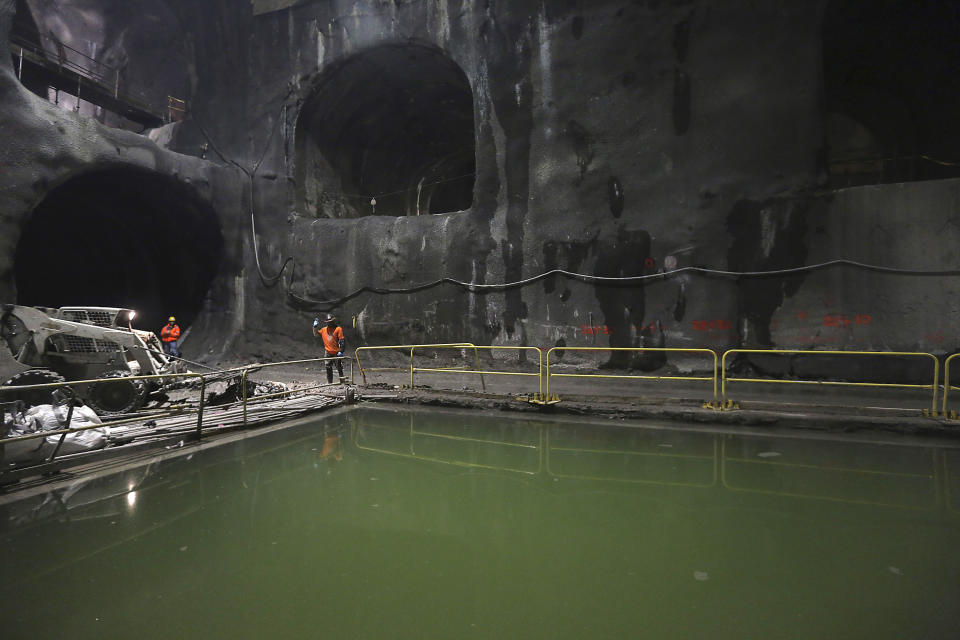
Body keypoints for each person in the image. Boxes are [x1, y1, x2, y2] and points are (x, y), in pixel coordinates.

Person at [313, 313, 345, 383]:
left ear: (334, 321)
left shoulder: (338, 329)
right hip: (328, 352)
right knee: (328, 368)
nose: (329, 323)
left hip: (336, 352)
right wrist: (315, 327)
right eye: (328, 322)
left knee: (339, 368)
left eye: (331, 322)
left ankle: (342, 382)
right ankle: (330, 383)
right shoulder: (324, 330)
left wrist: (341, 351)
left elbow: (342, 341)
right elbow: (316, 334)